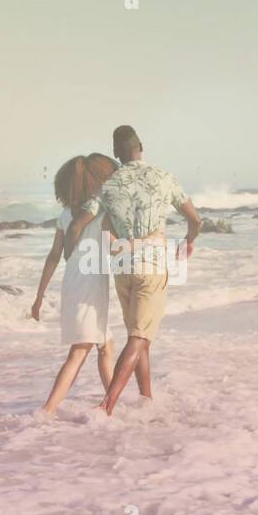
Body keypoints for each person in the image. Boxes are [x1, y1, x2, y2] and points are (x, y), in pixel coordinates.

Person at [64, 125, 202, 415]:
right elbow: (196, 220)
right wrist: (188, 242)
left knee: (140, 339)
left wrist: (72, 261)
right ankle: (107, 405)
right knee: (139, 337)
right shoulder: (165, 178)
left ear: (116, 152)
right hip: (152, 266)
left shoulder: (108, 185)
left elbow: (77, 225)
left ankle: (146, 401)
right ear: (142, 146)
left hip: (123, 268)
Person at [31, 153, 120, 414]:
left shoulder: (66, 213)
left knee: (106, 346)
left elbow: (53, 256)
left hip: (75, 281)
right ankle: (46, 412)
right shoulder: (99, 210)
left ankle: (111, 405)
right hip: (89, 284)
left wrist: (39, 297)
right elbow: (113, 247)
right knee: (79, 351)